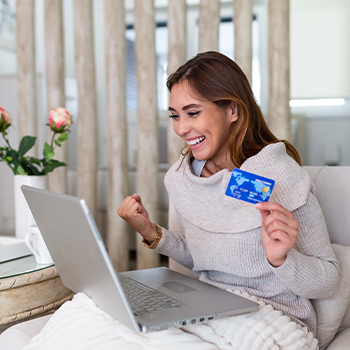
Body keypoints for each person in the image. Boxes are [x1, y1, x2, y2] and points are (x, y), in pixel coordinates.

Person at [118, 51, 340, 336]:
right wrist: (151, 232)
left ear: (233, 110)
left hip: (274, 320)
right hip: (210, 308)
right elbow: (206, 258)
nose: (181, 128)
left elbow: (329, 280)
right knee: (90, 316)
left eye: (193, 112)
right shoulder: (182, 178)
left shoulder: (280, 175)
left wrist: (282, 260)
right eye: (175, 115)